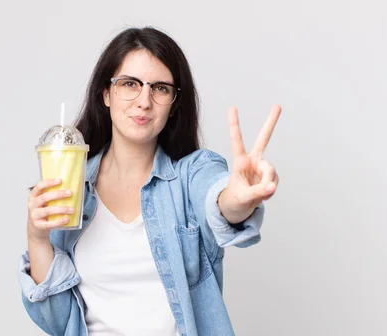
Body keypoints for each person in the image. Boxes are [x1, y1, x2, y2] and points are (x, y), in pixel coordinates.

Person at [18, 26, 281, 336]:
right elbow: (56, 321)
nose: (144, 101)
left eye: (160, 88)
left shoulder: (192, 174)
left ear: (173, 106)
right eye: (129, 84)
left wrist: (235, 200)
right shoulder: (71, 188)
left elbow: (218, 198)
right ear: (106, 93)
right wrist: (37, 238)